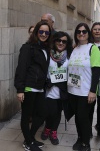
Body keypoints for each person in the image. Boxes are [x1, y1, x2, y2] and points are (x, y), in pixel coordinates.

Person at [14, 21, 52, 151]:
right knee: (26, 115)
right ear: (36, 32)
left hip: (40, 87)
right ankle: (29, 142)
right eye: (41, 31)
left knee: (42, 113)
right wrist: (20, 89)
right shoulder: (28, 47)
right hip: (29, 87)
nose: (43, 34)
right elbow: (21, 68)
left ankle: (29, 138)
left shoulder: (45, 48)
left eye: (46, 32)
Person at [67, 23, 100, 151]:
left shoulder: (93, 49)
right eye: (79, 32)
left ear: (88, 34)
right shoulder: (74, 49)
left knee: (83, 118)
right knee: (77, 117)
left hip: (86, 91)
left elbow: (97, 71)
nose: (81, 34)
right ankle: (80, 138)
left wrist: (93, 91)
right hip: (73, 90)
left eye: (84, 31)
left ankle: (86, 143)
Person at [41, 31, 73, 145]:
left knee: (58, 112)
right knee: (49, 111)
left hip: (62, 90)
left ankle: (53, 131)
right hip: (49, 88)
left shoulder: (70, 55)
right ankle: (47, 127)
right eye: (58, 40)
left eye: (64, 41)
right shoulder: (47, 54)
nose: (61, 43)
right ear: (54, 41)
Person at [89, 22, 100, 138]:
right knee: (89, 108)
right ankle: (87, 129)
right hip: (91, 82)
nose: (97, 31)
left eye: (99, 29)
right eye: (95, 29)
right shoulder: (87, 45)